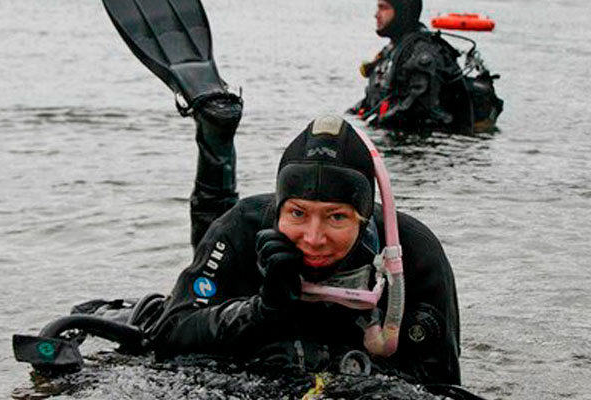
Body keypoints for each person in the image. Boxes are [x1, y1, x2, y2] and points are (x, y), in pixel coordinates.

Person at [134, 114, 461, 385]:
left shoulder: (416, 254)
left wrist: (351, 373)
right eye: (297, 213)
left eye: (336, 216)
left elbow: (442, 384)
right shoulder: (240, 229)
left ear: (362, 220)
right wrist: (263, 310)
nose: (314, 237)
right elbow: (169, 333)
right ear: (278, 210)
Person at [349, 0, 503, 136]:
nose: (376, 15)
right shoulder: (393, 50)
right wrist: (350, 118)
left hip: (425, 141)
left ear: (402, 13)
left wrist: (373, 124)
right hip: (395, 132)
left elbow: (418, 109)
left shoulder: (424, 55)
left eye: (383, 8)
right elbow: (373, 99)